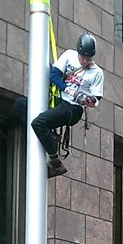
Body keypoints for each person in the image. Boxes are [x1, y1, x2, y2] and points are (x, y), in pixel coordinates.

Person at [15, 33, 104, 178]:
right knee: (20, 105)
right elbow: (54, 75)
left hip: (73, 108)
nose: (84, 61)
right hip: (60, 99)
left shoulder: (97, 72)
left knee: (38, 123)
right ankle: (50, 136)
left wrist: (87, 100)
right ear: (78, 52)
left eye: (88, 59)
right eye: (82, 57)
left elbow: (96, 98)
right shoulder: (69, 55)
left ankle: (55, 162)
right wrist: (68, 89)